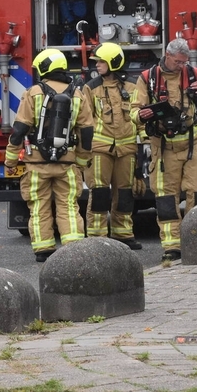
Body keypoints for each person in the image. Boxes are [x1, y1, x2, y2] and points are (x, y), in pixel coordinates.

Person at [131, 37, 197, 261]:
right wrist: (142, 115)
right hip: (164, 147)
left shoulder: (193, 74)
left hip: (192, 142)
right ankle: (172, 247)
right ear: (168, 56)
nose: (182, 66)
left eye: (184, 62)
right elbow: (133, 112)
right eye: (178, 62)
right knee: (165, 198)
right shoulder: (147, 79)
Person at [5, 48, 94, 262]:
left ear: (45, 67)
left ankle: (44, 249)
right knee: (69, 205)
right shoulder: (78, 93)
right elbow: (87, 131)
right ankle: (74, 249)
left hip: (36, 164)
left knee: (39, 206)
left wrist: (10, 160)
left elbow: (19, 129)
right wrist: (81, 160)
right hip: (67, 163)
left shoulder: (34, 92)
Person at [81, 42, 142, 250]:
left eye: (101, 62)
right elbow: (84, 119)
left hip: (127, 150)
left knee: (125, 193)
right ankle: (97, 238)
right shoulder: (91, 87)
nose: (97, 65)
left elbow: (139, 118)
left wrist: (143, 151)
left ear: (113, 63)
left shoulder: (133, 87)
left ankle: (123, 234)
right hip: (99, 150)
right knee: (99, 193)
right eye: (96, 62)